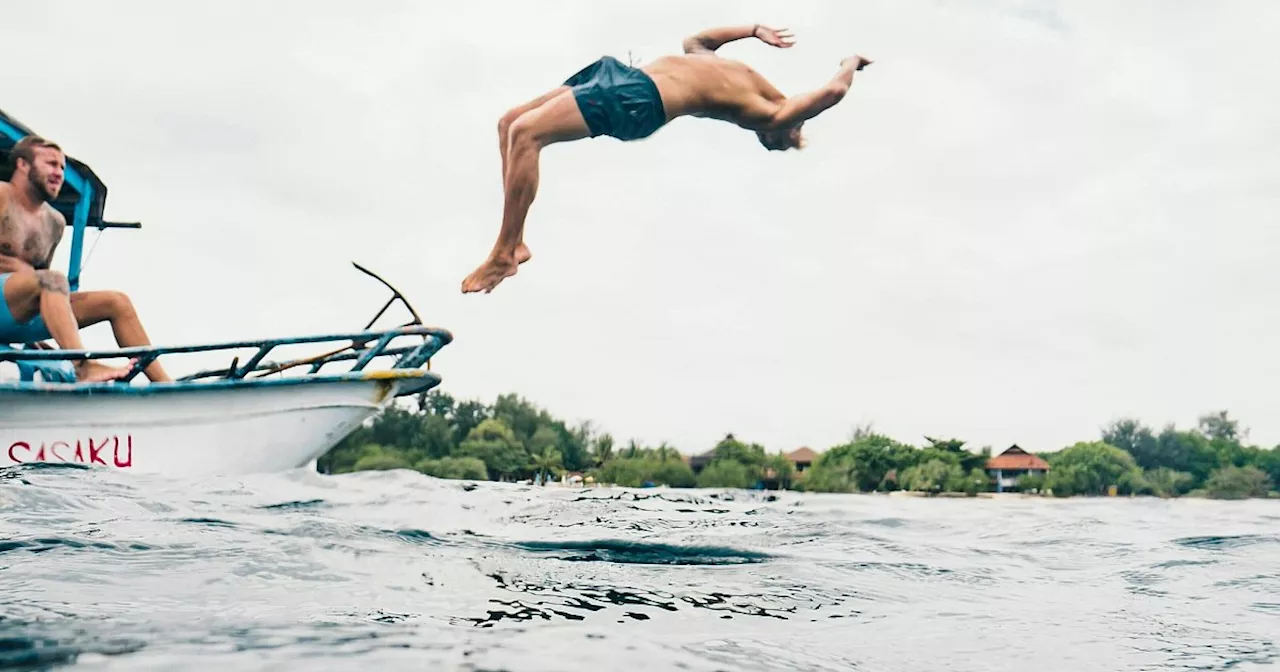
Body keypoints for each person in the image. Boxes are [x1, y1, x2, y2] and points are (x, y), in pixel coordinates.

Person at [461, 24, 872, 294]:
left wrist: (849, 63)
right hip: (623, 76)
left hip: (639, 101)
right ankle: (514, 243)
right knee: (509, 122)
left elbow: (834, 92)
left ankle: (504, 251)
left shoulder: (771, 113)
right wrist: (751, 30)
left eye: (769, 141)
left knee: (527, 133)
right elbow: (698, 42)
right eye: (773, 142)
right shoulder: (741, 76)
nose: (767, 137)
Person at [0, 134, 172, 383]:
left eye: (61, 166)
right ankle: (83, 365)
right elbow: (42, 281)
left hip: (15, 312)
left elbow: (36, 285)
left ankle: (165, 384)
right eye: (50, 164)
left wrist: (33, 340)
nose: (59, 172)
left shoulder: (54, 222)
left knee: (117, 302)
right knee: (52, 280)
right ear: (23, 165)